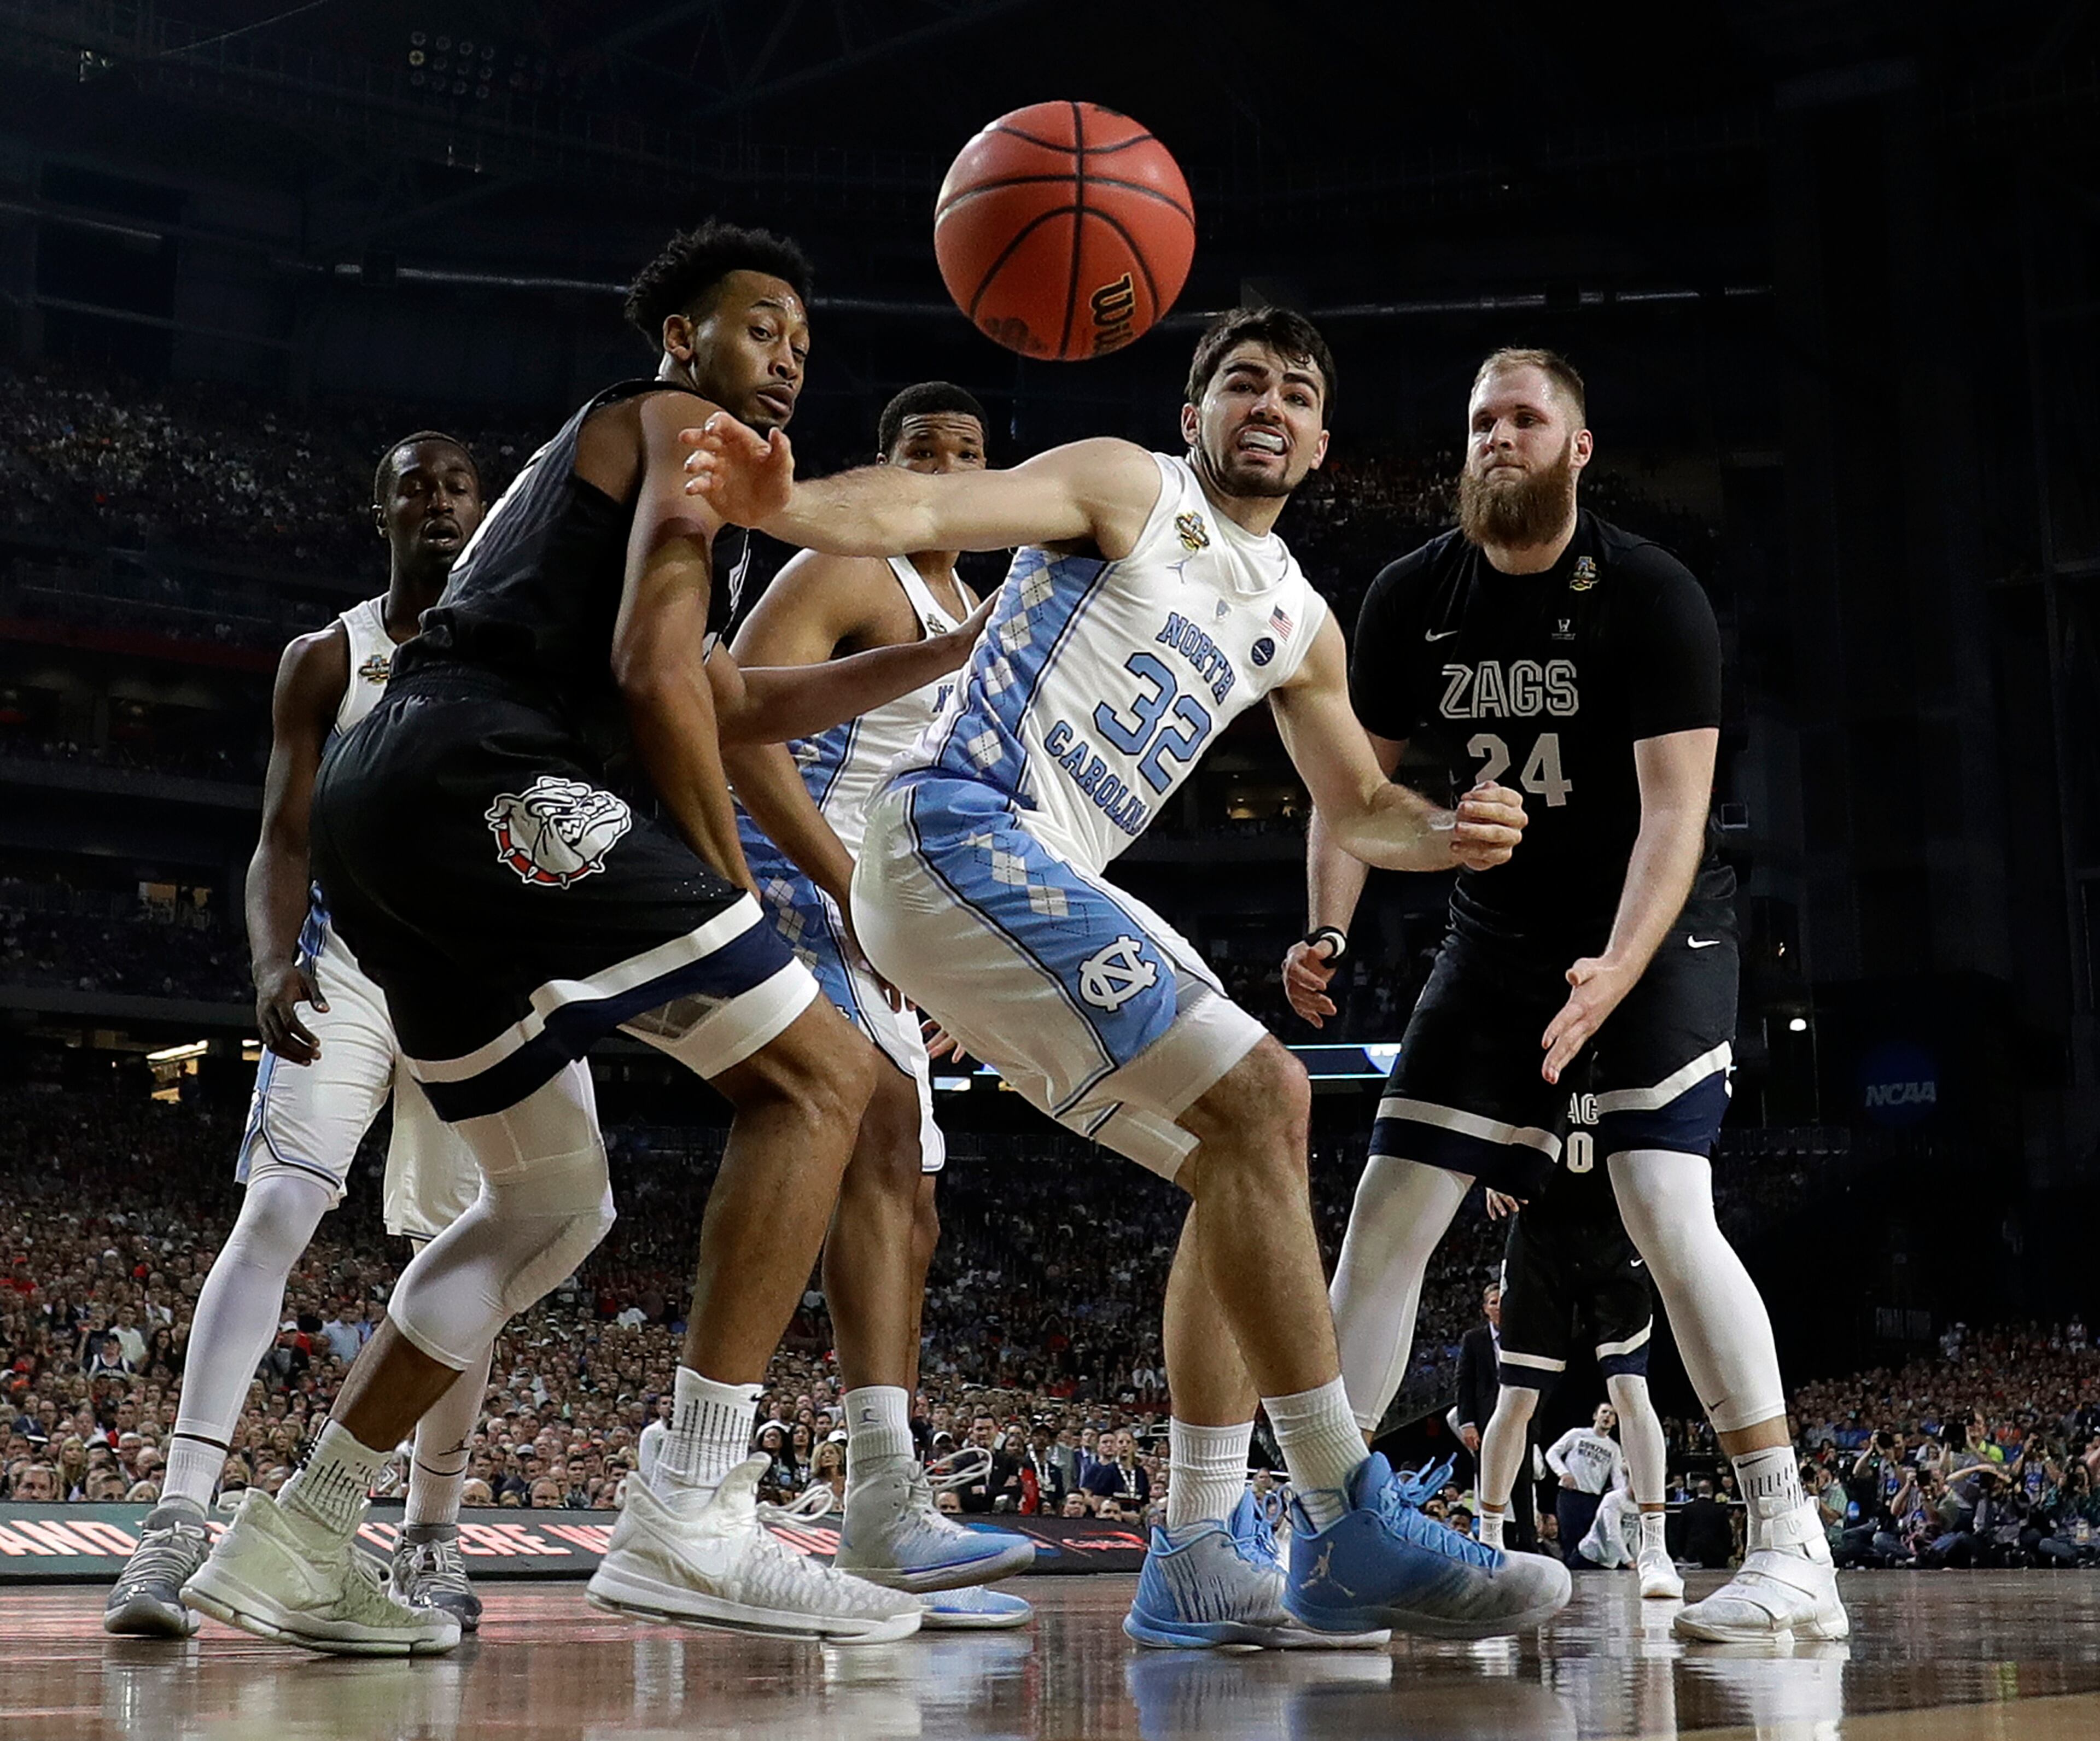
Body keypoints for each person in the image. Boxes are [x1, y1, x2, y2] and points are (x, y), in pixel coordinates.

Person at [685, 303, 1568, 1650]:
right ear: (1193, 414)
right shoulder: (1125, 485)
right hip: (956, 821)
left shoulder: (1300, 621)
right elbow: (940, 493)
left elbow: (1356, 801)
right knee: (1265, 1091)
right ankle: (1341, 1508)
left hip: (1028, 884)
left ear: (1322, 439)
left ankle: (1199, 1547)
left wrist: (1438, 830)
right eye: (1239, 382)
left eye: (1294, 389)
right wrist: (791, 498)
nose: (1267, 402)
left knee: (1244, 1152)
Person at [179, 221, 988, 1655]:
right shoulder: (675, 424)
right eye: (760, 327)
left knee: (551, 1200)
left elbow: (727, 697)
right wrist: (737, 893)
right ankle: (693, 1510)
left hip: (397, 816)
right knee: (824, 1077)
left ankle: (304, 1528)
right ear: (684, 340)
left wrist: (940, 656)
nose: (787, 355)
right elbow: (651, 676)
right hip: (491, 782)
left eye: (803, 339)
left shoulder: (619, 482)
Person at [1287, 347, 1843, 1644]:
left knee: (1659, 1196)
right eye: (1479, 417)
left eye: (1524, 419)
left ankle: (1787, 1537)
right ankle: (1328, 1533)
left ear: (1576, 448)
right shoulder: (1407, 595)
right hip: (1495, 933)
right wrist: (1326, 922)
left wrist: (1618, 965)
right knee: (1384, 1212)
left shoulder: (1651, 594)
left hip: (1657, 923)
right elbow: (1347, 795)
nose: (1496, 436)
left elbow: (1674, 817)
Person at [103, 433, 495, 1641]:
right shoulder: (327, 656)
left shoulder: (520, 650)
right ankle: (175, 1520)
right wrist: (274, 960)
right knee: (277, 1209)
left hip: (483, 977)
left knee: (469, 1241)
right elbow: (280, 836)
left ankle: (431, 1533)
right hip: (352, 968)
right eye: (416, 484)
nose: (437, 501)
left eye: (457, 486)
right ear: (376, 505)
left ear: (485, 510)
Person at [727, 382, 1034, 1628]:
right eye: (922, 450)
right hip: (794, 854)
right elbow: (737, 715)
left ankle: (879, 1505)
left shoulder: (983, 610)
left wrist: (941, 944)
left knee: (913, 1211)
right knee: (883, 1137)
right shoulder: (848, 563)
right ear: (882, 465)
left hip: (879, 893)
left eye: (968, 453)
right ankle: (879, 1499)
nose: (945, 468)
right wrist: (850, 889)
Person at [1473, 1096, 1681, 1597]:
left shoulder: (1631, 1044)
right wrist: (1493, 1166)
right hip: (1540, 1237)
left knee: (1631, 1390)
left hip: (1615, 1233)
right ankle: (1488, 1544)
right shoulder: (1530, 1041)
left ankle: (1655, 1548)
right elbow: (1486, 1107)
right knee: (1516, 1400)